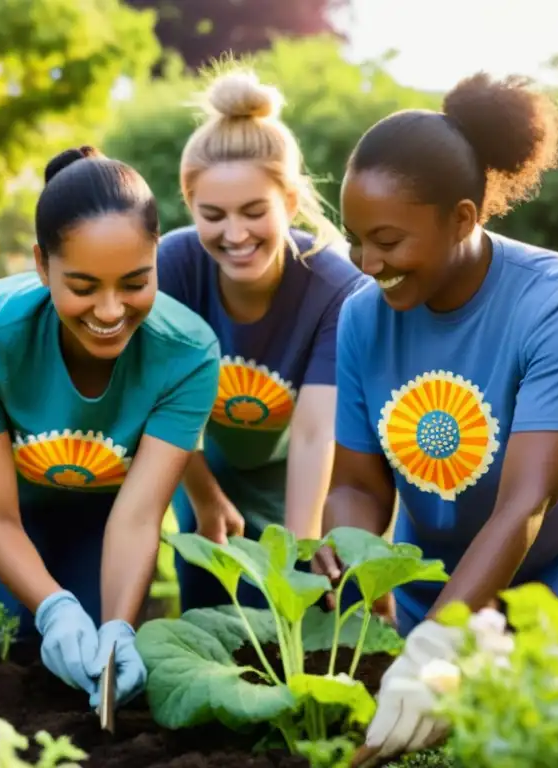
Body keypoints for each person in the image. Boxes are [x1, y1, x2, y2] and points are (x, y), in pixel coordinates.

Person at [320, 73, 558, 763]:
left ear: (463, 219)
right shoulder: (361, 317)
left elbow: (524, 502)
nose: (367, 263)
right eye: (355, 240)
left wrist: (440, 645)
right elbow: (357, 485)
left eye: (387, 240)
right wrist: (353, 561)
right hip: (441, 592)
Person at [0, 146, 220, 710]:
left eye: (135, 282)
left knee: (92, 660)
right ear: (42, 266)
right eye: (84, 288)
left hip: (107, 497)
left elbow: (139, 517)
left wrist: (117, 626)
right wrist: (52, 607)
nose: (111, 311)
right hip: (0, 489)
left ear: (157, 255)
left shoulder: (188, 355)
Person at [156, 70, 372, 612]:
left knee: (296, 610)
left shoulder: (334, 285)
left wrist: (300, 551)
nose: (235, 234)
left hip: (298, 476)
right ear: (190, 204)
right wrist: (205, 499)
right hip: (205, 467)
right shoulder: (172, 268)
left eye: (254, 212)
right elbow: (158, 403)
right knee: (210, 616)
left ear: (290, 201)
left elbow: (315, 430)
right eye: (213, 215)